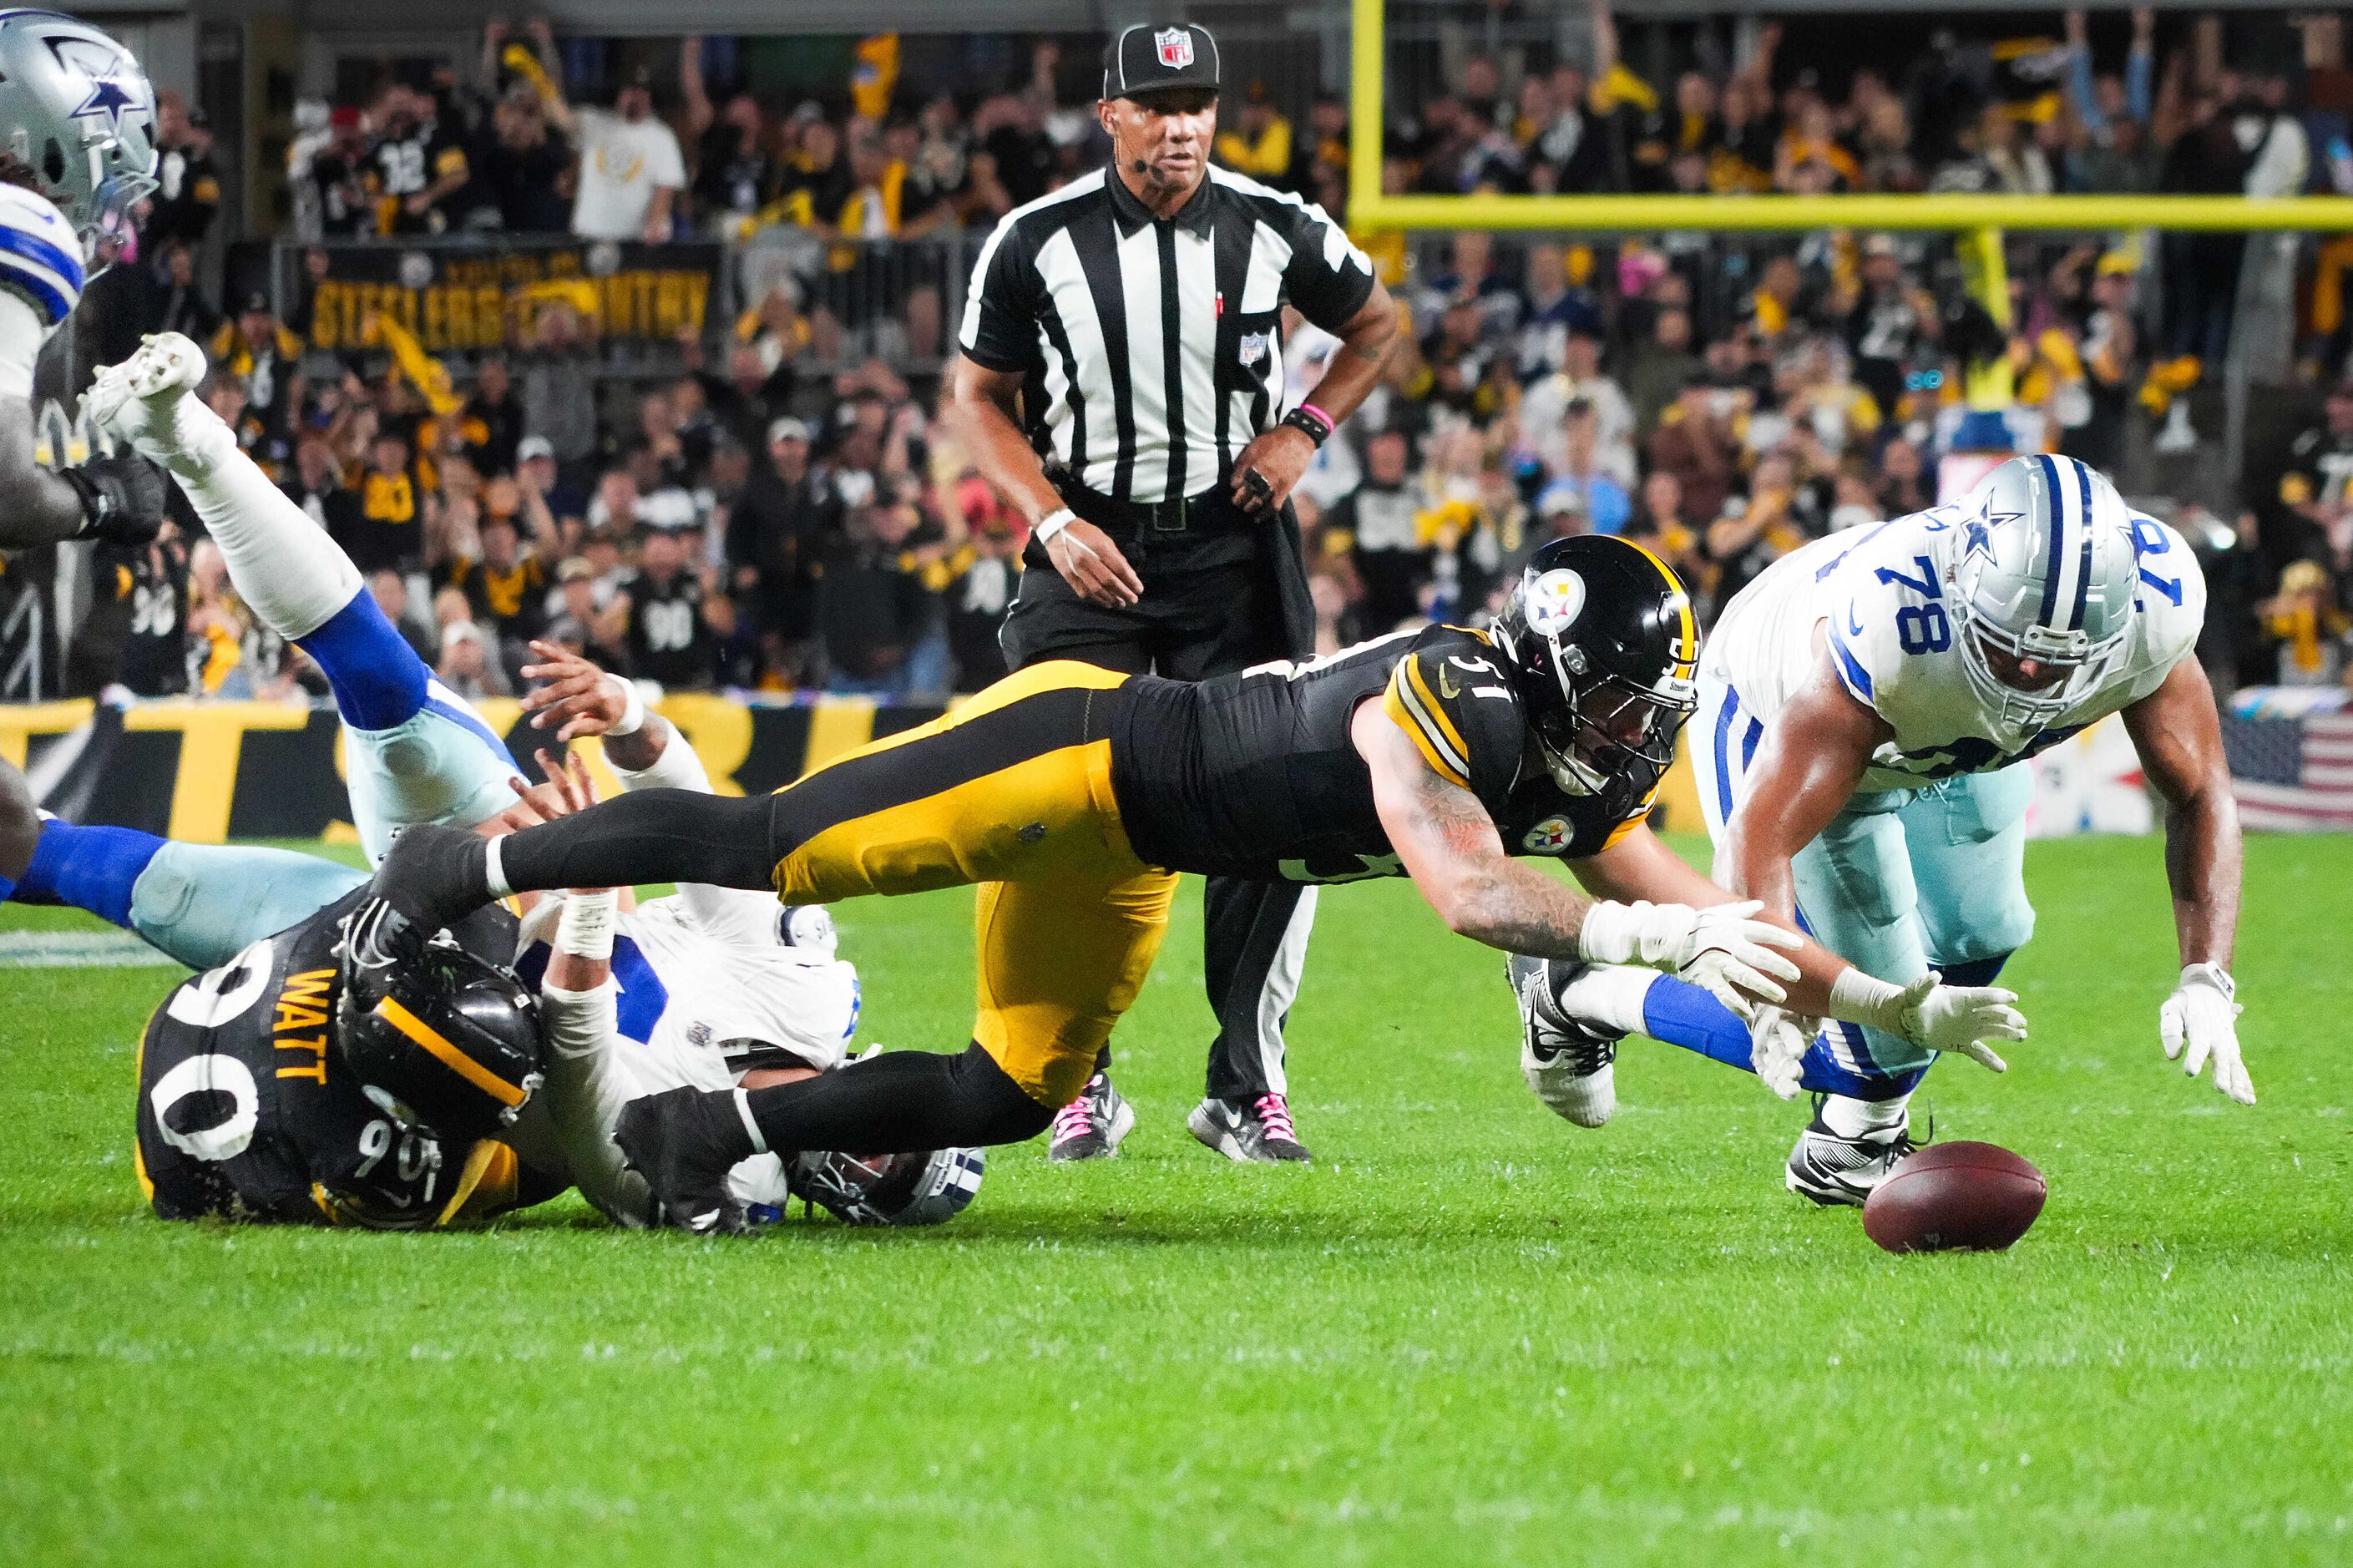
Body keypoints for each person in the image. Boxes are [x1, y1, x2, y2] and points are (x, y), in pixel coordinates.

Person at [339, 531, 2020, 1237]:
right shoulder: (1456, 693)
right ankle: (458, 857)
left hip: (1135, 849)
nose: (1643, 736)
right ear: (1565, 677)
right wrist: (1633, 931)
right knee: (765, 846)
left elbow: (1714, 918)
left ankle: (701, 1134)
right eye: (1631, 702)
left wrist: (1886, 999)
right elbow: (1463, 895)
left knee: (1007, 1095)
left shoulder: (1554, 747)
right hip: (1075, 752)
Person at [45, 330, 970, 1231]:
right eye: (894, 1121)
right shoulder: (807, 989)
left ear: (855, 1199)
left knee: (144, 885)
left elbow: (574, 1070)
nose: (867, 1134)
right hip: (505, 869)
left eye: (883, 1160)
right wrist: (633, 721)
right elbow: (708, 835)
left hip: (430, 1032)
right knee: (388, 693)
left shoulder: (725, 1187)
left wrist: (587, 886)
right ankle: (185, 436)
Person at [1516, 455, 2248, 1206]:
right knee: (1874, 1031)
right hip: (1782, 708)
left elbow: (2200, 794)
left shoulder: (2156, 609)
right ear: (1964, 588)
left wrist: (2206, 977)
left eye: (2062, 665)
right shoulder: (1891, 627)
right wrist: (1773, 993)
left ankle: (1853, 1143)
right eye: (2012, 650)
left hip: (1939, 732)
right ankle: (1580, 988)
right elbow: (1763, 840)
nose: (2030, 680)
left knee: (1986, 929)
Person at [948, 23, 1404, 1166]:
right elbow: (976, 395)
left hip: (1232, 546)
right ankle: (1072, 1074)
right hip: (1085, 549)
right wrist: (1048, 518)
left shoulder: (1272, 224)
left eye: (1197, 101)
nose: (1182, 123)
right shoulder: (1033, 240)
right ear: (1109, 115)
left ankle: (1244, 1086)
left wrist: (1304, 428)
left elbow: (1376, 322)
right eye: (1156, 105)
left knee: (1276, 800)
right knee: (1056, 801)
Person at [0, 12, 168, 552]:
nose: (102, 217)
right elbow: (8, 498)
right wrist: (105, 501)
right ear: (39, 146)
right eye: (106, 184)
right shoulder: (18, 230)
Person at [549, 65, 686, 243]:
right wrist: (543, 87)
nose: (635, 96)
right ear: (619, 93)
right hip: (588, 234)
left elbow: (665, 187)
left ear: (650, 97)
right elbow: (560, 119)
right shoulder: (594, 121)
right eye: (630, 90)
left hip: (632, 241)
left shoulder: (662, 136)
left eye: (642, 91)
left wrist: (656, 222)